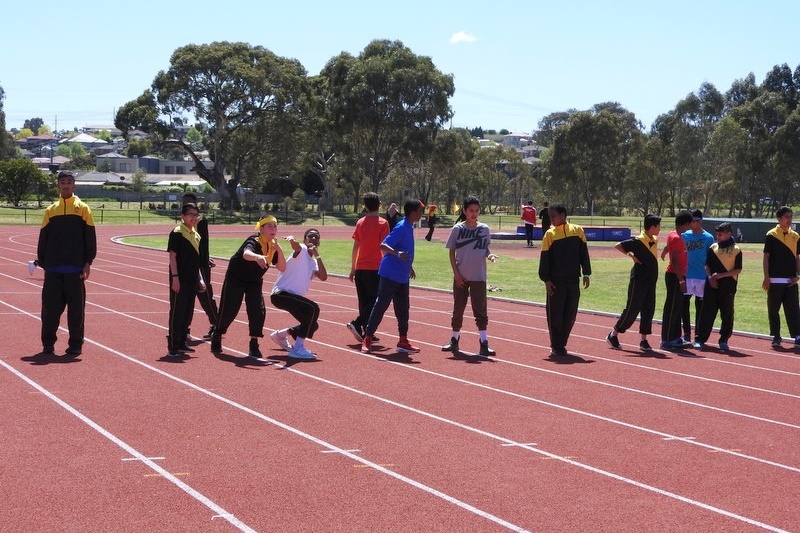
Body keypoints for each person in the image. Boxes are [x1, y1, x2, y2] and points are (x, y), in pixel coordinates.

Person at [37, 170, 97, 356]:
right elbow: (43, 239)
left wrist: (88, 263)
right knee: (50, 311)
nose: (65, 185)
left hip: (75, 269)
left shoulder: (83, 209)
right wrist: (44, 263)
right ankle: (48, 343)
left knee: (76, 312)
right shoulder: (51, 210)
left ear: (74, 186)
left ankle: (75, 345)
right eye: (62, 181)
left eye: (69, 182)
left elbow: (90, 238)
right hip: (54, 269)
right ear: (57, 185)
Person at [210, 216, 286, 359]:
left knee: (258, 311)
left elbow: (282, 267)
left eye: (275, 226)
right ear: (261, 228)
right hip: (236, 278)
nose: (273, 229)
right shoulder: (254, 240)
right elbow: (246, 254)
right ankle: (218, 333)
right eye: (269, 226)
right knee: (229, 310)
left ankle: (254, 343)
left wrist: (280, 251)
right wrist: (258, 257)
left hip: (254, 280)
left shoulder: (273, 245)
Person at [361, 199, 426, 354]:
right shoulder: (402, 227)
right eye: (420, 211)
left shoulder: (409, 226)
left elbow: (405, 249)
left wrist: (409, 267)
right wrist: (398, 254)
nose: (422, 214)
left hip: (402, 275)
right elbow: (383, 245)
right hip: (390, 274)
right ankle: (367, 338)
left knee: (403, 309)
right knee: (381, 306)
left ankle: (403, 340)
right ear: (413, 212)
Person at [441, 196, 498, 357]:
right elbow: (452, 252)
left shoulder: (484, 229)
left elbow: (485, 249)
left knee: (480, 310)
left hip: (479, 276)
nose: (474, 214)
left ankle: (484, 342)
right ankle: (454, 339)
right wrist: (456, 274)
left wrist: (490, 255)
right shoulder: (458, 229)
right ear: (465, 211)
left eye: (477, 211)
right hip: (462, 276)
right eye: (471, 211)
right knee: (458, 309)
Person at [538, 204, 591, 357]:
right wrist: (546, 280)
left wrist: (586, 273)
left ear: (563, 215)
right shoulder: (549, 234)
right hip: (556, 282)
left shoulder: (578, 231)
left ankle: (561, 342)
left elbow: (584, 254)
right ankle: (556, 345)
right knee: (556, 314)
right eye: (550, 216)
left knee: (570, 314)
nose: (551, 219)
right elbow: (545, 259)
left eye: (553, 216)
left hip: (573, 280)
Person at [270, 228, 328, 360]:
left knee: (312, 324)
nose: (313, 239)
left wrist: (317, 255)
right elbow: (296, 248)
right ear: (305, 239)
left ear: (318, 242)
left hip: (291, 297)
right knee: (313, 308)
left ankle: (281, 335)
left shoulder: (313, 262)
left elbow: (324, 277)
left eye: (316, 237)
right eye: (310, 236)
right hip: (281, 294)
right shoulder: (301, 249)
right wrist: (292, 240)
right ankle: (297, 348)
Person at [606, 214, 661, 352]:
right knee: (632, 308)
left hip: (651, 280)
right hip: (639, 279)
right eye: (658, 226)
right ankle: (614, 334)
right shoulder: (638, 240)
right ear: (652, 227)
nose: (659, 228)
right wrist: (631, 256)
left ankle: (644, 340)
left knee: (648, 309)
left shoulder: (654, 239)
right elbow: (618, 245)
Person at [347, 192, 389, 343]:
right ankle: (358, 323)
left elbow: (355, 247)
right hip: (375, 268)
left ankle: (366, 331)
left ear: (365, 206)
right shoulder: (383, 223)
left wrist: (353, 267)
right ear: (379, 204)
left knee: (363, 301)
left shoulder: (360, 223)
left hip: (361, 268)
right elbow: (384, 248)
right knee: (376, 301)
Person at [693, 222, 742, 351]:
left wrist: (720, 276)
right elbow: (707, 265)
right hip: (711, 286)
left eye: (720, 234)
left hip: (728, 287)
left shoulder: (736, 250)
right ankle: (700, 339)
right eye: (717, 233)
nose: (718, 236)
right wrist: (710, 278)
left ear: (729, 234)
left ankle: (724, 339)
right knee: (706, 313)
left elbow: (737, 270)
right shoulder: (713, 247)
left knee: (727, 314)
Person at [166, 203, 204, 358]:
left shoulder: (196, 234)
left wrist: (200, 278)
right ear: (183, 216)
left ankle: (182, 341)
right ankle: (173, 344)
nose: (193, 217)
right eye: (190, 214)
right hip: (179, 278)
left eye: (196, 215)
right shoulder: (177, 233)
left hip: (192, 278)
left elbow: (195, 260)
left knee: (188, 311)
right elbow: (172, 257)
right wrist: (175, 278)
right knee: (177, 311)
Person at [181, 192, 219, 340]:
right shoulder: (183, 220)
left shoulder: (201, 221)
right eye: (184, 203)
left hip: (200, 265)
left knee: (205, 296)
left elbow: (203, 243)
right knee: (186, 298)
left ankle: (217, 325)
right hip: (185, 264)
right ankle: (184, 328)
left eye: (189, 203)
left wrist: (204, 259)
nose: (186, 205)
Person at [762, 205, 800, 348]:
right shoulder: (771, 235)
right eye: (787, 217)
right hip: (774, 280)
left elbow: (797, 257)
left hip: (791, 280)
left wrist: (798, 275)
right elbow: (766, 258)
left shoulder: (796, 236)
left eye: (791, 217)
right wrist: (766, 277)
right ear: (779, 218)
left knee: (794, 309)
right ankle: (776, 336)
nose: (790, 220)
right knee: (773, 310)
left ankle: (798, 335)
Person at [659, 210, 693, 350]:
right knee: (671, 308)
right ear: (685, 223)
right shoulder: (677, 238)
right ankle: (666, 340)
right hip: (675, 276)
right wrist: (681, 281)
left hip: (678, 275)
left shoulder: (675, 235)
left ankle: (675, 338)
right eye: (691, 222)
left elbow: (670, 248)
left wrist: (664, 250)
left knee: (677, 308)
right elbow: (674, 262)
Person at [681, 209, 714, 343]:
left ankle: (698, 335)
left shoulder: (708, 238)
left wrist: (710, 276)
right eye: (691, 221)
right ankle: (686, 333)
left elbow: (711, 259)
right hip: (687, 276)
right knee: (684, 305)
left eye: (695, 221)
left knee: (700, 307)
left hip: (702, 277)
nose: (692, 224)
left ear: (700, 221)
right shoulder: (684, 235)